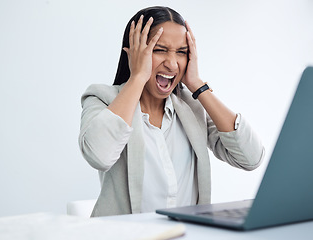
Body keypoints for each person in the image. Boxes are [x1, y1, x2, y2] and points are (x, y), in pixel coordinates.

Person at [79, 6, 264, 217]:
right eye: (159, 50)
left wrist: (197, 85)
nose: (172, 63)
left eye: (181, 52)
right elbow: (99, 156)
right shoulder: (102, 98)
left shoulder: (191, 106)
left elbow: (251, 158)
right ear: (135, 52)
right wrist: (138, 76)